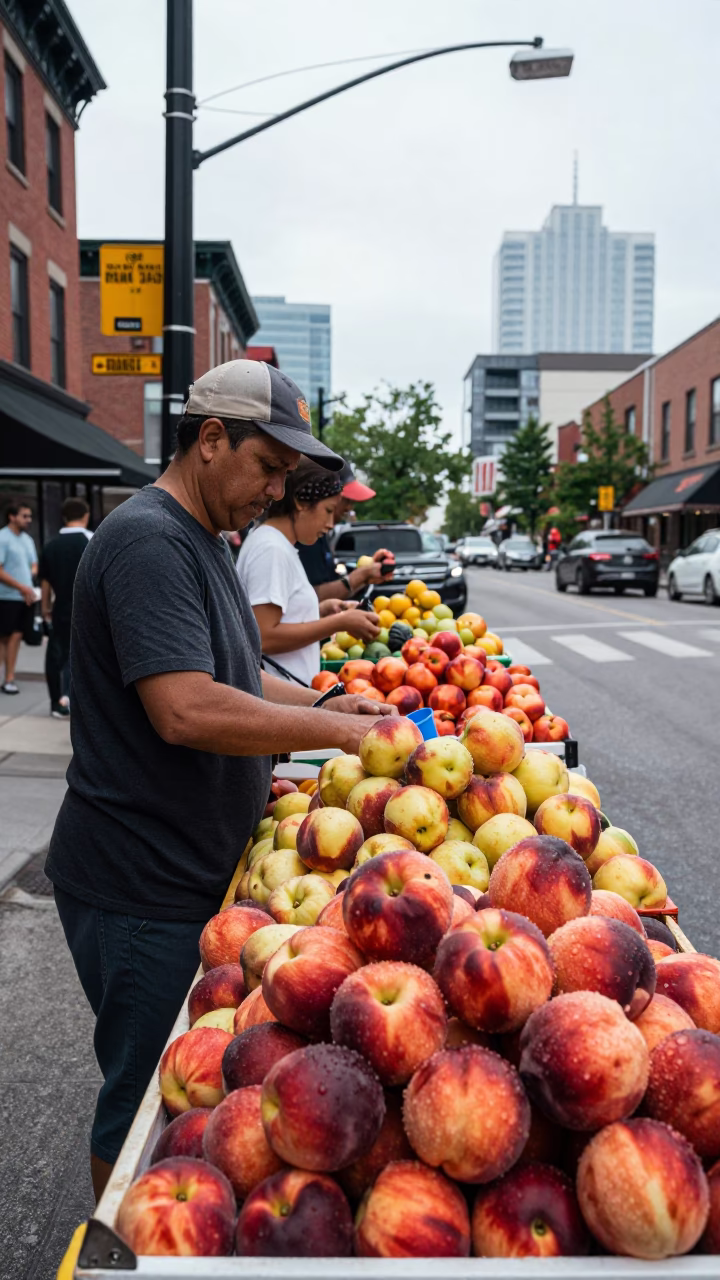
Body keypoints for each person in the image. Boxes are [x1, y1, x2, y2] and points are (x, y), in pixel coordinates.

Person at [44, 359, 396, 1201]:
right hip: (140, 882)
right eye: (268, 469)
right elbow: (188, 708)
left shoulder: (203, 539)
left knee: (176, 1090)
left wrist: (322, 698)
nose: (275, 489)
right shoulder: (147, 541)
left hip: (189, 868)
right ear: (210, 440)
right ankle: (123, 1246)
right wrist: (341, 732)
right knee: (146, 1102)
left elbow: (234, 673)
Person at [237, 459, 381, 685]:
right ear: (301, 503)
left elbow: (280, 618)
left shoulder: (277, 545)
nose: (331, 523)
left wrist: (322, 611)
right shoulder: (271, 549)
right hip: (280, 704)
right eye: (328, 510)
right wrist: (340, 622)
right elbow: (264, 637)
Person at [297, 460, 391, 600]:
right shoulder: (304, 540)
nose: (349, 508)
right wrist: (360, 576)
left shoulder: (319, 535)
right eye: (346, 500)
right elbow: (308, 598)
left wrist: (366, 577)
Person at [38, 497, 92, 718]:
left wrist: (45, 609)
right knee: (80, 654)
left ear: (64, 517)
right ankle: (72, 698)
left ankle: (55, 701)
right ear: (86, 516)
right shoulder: (92, 540)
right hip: (87, 609)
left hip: (60, 607)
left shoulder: (51, 545)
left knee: (56, 653)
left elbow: (45, 582)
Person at [0, 502, 38, 695]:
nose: (28, 520)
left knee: (16, 636)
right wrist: (20, 586)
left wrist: (29, 580)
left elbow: (34, 564)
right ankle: (7, 678)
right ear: (12, 517)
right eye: (24, 516)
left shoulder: (27, 540)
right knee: (6, 638)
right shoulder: (3, 538)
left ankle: (9, 678)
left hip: (25, 597)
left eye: (30, 516)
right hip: (7, 597)